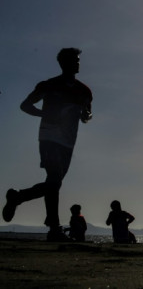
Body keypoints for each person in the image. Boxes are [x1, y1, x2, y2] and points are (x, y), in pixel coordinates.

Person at [3, 48, 93, 242]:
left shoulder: (85, 91)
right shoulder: (49, 85)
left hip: (69, 143)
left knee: (54, 184)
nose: (78, 63)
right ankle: (53, 228)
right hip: (49, 137)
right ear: (63, 63)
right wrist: (44, 114)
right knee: (54, 179)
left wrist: (86, 116)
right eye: (74, 60)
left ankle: (19, 199)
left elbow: (87, 114)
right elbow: (25, 105)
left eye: (78, 60)